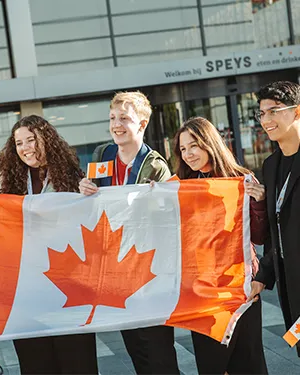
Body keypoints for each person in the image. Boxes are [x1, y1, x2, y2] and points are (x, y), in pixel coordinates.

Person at [79, 91, 179, 375]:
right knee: (136, 351)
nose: (116, 125)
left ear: (142, 124)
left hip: (148, 272)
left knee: (158, 352)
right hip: (115, 273)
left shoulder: (156, 165)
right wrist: (84, 188)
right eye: (112, 118)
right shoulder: (102, 154)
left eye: (124, 118)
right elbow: (94, 208)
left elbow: (167, 220)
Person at [0, 115, 98, 374]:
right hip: (27, 293)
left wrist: (90, 197)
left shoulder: (72, 178)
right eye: (19, 143)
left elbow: (91, 226)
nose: (26, 147)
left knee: (77, 363)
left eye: (32, 139)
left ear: (46, 140)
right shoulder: (4, 183)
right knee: (36, 364)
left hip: (68, 288)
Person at [173, 117, 268, 374]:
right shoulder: (181, 186)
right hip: (202, 294)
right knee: (213, 365)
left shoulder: (241, 179)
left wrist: (258, 203)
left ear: (209, 143)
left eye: (193, 145)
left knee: (249, 364)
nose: (188, 154)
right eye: (182, 149)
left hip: (240, 289)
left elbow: (259, 237)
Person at [249, 81, 300, 354]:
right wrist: (264, 275)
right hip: (291, 286)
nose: (266, 120)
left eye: (275, 111)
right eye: (262, 113)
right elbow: (275, 229)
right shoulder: (271, 166)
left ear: (297, 112)